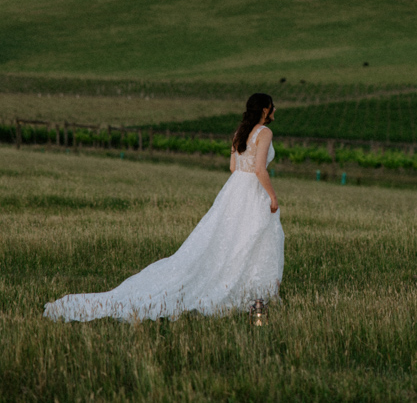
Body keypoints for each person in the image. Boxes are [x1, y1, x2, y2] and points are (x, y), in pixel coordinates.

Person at [43, 93, 284, 322]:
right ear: (265, 110)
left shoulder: (239, 132)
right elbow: (260, 169)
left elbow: (233, 167)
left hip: (233, 189)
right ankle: (251, 288)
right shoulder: (264, 132)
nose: (275, 110)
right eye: (272, 106)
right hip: (251, 190)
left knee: (228, 238)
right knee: (251, 237)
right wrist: (272, 196)